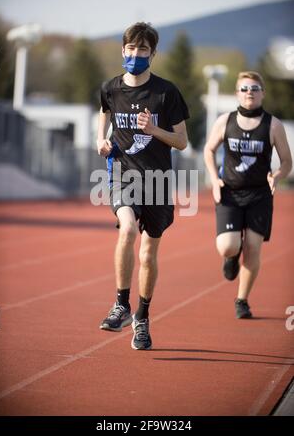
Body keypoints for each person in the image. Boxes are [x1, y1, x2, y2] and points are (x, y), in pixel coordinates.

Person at [97, 22, 189, 349]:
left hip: (158, 180)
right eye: (132, 49)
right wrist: (101, 140)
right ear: (123, 50)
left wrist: (153, 130)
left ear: (153, 54)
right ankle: (121, 304)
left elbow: (182, 141)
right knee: (127, 231)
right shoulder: (110, 88)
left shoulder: (166, 93)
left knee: (148, 254)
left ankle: (142, 317)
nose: (136, 55)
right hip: (124, 174)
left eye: (143, 50)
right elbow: (104, 113)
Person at [204, 71, 292, 319]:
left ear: (262, 93)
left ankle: (242, 300)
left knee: (253, 248)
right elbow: (209, 150)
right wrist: (214, 179)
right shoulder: (225, 121)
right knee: (228, 246)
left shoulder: (273, 125)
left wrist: (276, 176)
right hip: (230, 192)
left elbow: (287, 162)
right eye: (244, 88)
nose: (249, 92)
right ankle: (232, 256)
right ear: (236, 94)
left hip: (259, 196)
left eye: (254, 88)